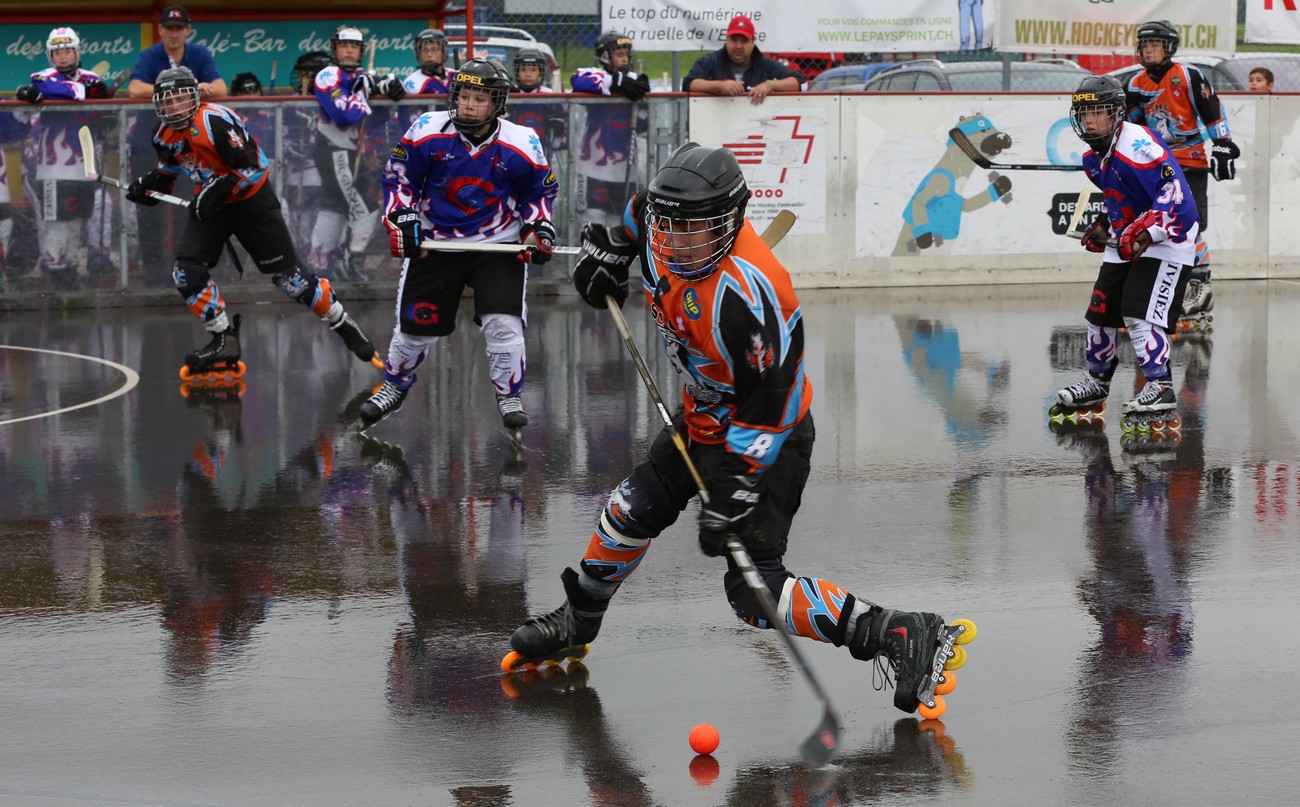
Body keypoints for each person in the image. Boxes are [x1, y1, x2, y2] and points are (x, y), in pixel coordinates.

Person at [505, 143, 972, 717]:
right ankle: (580, 617)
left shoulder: (751, 297)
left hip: (769, 435)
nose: (677, 242)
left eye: (694, 229)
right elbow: (638, 215)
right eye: (670, 226)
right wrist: (612, 251)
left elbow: (774, 400)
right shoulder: (661, 226)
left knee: (753, 592)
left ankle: (898, 631)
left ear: (730, 222)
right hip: (704, 415)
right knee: (632, 507)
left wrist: (737, 484)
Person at [124, 67, 380, 378]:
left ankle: (341, 321)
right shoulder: (162, 134)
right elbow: (168, 170)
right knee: (185, 271)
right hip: (212, 203)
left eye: (180, 98)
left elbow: (255, 167)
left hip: (250, 201)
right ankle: (223, 339)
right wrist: (147, 186)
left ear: (194, 97)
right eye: (167, 101)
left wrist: (217, 189)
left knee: (291, 280)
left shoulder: (214, 121)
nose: (175, 107)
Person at [363, 58, 558, 434]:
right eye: (464, 96)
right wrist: (402, 218)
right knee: (415, 328)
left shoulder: (522, 140)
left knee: (503, 325)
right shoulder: (427, 128)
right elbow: (399, 179)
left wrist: (538, 228)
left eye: (479, 99)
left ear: (497, 103)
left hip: (497, 245)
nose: (469, 105)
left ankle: (509, 395)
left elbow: (539, 192)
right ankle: (395, 385)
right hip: (436, 242)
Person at [1054, 75, 1199, 435]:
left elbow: (1179, 199)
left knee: (1138, 312)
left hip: (1169, 236)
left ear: (1116, 113)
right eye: (1084, 113)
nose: (1089, 121)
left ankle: (1160, 386)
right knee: (1099, 312)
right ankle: (1097, 381)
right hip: (1130, 236)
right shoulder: (1093, 159)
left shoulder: (1138, 145)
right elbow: (1121, 198)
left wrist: (1147, 230)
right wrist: (1105, 225)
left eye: (1098, 112)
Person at [1124, 19, 1236, 333]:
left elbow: (1210, 108)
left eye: (1156, 45)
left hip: (1190, 160)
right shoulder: (1134, 84)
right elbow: (1133, 127)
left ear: (1169, 48)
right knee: (1151, 225)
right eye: (1145, 45)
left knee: (1190, 226)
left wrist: (1223, 145)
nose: (1149, 50)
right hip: (1156, 164)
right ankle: (1152, 296)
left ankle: (1198, 292)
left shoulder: (1188, 75)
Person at [14, 27, 114, 288]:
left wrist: (107, 113)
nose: (63, 56)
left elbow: (99, 110)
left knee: (78, 220)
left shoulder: (91, 78)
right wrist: (83, 91)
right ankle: (54, 272)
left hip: (84, 165)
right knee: (56, 222)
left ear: (77, 52)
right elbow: (55, 90)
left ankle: (70, 270)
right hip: (52, 167)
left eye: (68, 50)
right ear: (50, 56)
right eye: (57, 52)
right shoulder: (43, 76)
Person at [308, 25, 406, 280]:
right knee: (366, 204)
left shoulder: (361, 76)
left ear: (361, 51)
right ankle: (351, 261)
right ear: (335, 50)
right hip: (333, 151)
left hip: (352, 152)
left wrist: (386, 88)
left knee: (335, 207)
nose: (349, 50)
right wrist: (364, 90)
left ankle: (320, 265)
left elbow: (374, 120)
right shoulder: (328, 75)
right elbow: (344, 115)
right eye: (344, 45)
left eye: (354, 46)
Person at [570, 31, 650, 230]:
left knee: (618, 224)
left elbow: (643, 124)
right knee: (592, 223)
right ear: (605, 56)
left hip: (625, 170)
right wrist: (616, 82)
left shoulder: (634, 79)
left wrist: (644, 104)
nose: (625, 59)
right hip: (593, 169)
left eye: (627, 54)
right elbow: (577, 80)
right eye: (619, 54)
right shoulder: (597, 74)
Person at [682, 15, 805, 105]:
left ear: (753, 42)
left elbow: (799, 83)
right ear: (726, 39)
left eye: (744, 41)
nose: (738, 46)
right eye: (734, 40)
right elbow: (689, 84)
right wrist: (720, 86)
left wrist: (769, 85)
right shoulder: (710, 61)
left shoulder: (765, 63)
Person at [127, 6, 225, 100]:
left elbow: (221, 89)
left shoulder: (200, 53)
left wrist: (194, 90)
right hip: (157, 111)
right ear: (160, 30)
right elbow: (134, 89)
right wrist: (183, 89)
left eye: (179, 29)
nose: (174, 35)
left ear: (188, 30)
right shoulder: (149, 55)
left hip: (192, 111)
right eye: (169, 29)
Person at [401, 28, 456, 95]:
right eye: (424, 50)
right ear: (418, 55)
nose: (429, 54)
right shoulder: (412, 83)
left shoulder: (455, 75)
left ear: (444, 52)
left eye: (434, 49)